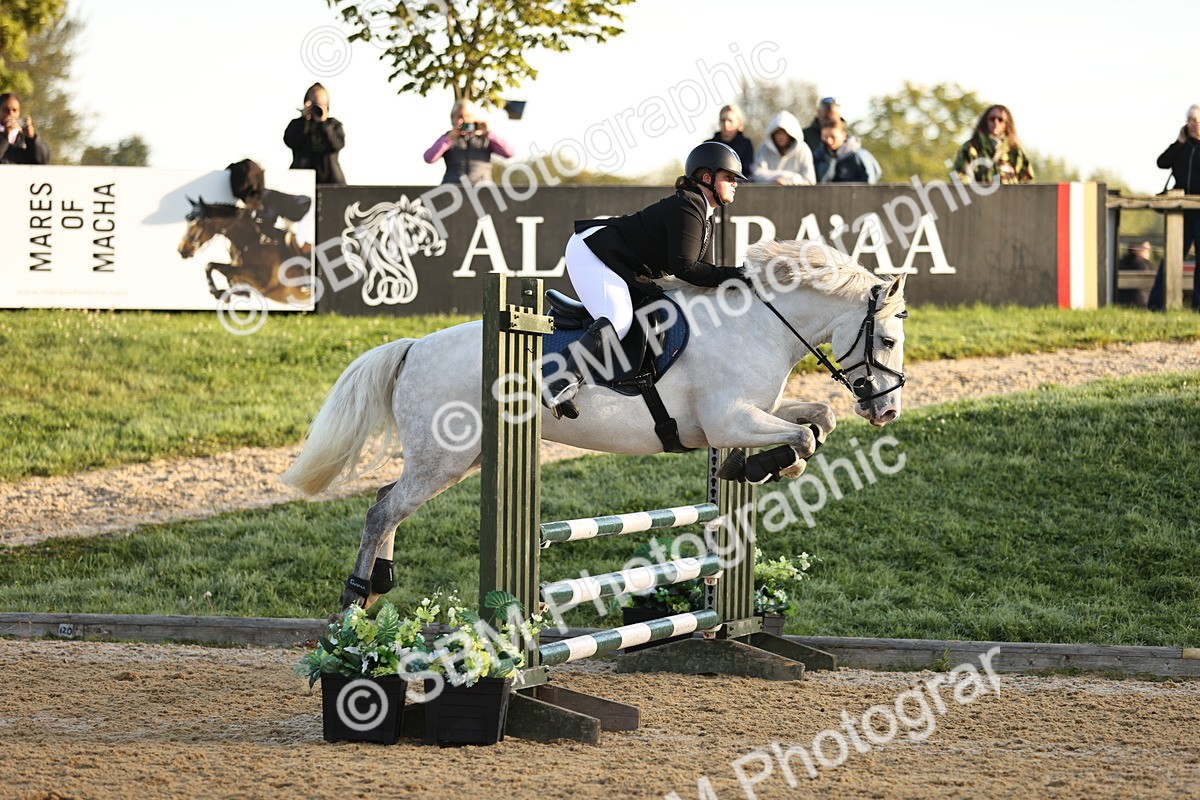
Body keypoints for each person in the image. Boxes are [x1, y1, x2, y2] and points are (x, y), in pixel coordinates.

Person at [544, 141, 747, 419]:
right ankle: (561, 381)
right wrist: (740, 275)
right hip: (594, 250)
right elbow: (686, 269)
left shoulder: (704, 213)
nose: (735, 184)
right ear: (707, 178)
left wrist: (737, 277)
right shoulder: (688, 206)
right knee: (619, 318)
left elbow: (703, 272)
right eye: (730, 177)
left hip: (621, 258)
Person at [1148, 104, 1200, 312]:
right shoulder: (1181, 147)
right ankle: (1157, 305)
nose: (1193, 125)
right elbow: (1162, 162)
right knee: (1171, 257)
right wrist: (1179, 143)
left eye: (1197, 120)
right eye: (1190, 120)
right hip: (1180, 212)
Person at [423, 99, 514, 185]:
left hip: (482, 191)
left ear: (474, 118)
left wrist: (489, 134)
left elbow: (509, 153)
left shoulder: (485, 138)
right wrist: (448, 140)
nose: (463, 121)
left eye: (467, 116)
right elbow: (429, 158)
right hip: (453, 191)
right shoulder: (447, 138)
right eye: (459, 116)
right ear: (452, 119)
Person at [283, 83, 346, 185]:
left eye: (321, 104)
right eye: (314, 104)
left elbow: (337, 144)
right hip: (301, 181)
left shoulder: (334, 125)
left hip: (331, 183)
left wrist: (324, 124)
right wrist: (304, 120)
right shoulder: (298, 124)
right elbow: (290, 141)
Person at [953, 104, 1034, 185]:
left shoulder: (1015, 150)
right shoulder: (971, 148)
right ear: (986, 121)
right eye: (992, 119)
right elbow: (960, 180)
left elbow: (1026, 182)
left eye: (1000, 119)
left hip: (1009, 196)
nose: (996, 122)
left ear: (1006, 123)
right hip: (979, 196)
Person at [813, 117, 882, 184]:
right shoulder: (819, 155)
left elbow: (869, 182)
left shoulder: (858, 155)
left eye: (833, 137)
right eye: (825, 137)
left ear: (843, 135)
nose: (829, 141)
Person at [752, 111, 814, 185]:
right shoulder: (764, 148)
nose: (780, 137)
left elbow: (809, 180)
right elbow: (757, 175)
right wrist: (777, 179)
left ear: (790, 134)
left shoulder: (803, 150)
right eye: (777, 133)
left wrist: (790, 181)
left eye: (783, 133)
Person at [707, 103, 755, 181]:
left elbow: (748, 172)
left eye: (730, 120)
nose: (726, 124)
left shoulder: (746, 144)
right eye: (723, 120)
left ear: (738, 123)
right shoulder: (709, 145)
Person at [0, 92, 50, 165]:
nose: (11, 114)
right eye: (6, 110)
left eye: (15, 110)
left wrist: (31, 138)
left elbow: (43, 160)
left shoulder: (22, 135)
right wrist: (5, 136)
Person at [1116, 241, 1156, 307]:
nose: (1149, 251)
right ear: (1135, 249)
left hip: (1120, 304)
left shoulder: (1119, 263)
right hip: (1142, 304)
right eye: (1146, 249)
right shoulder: (1145, 265)